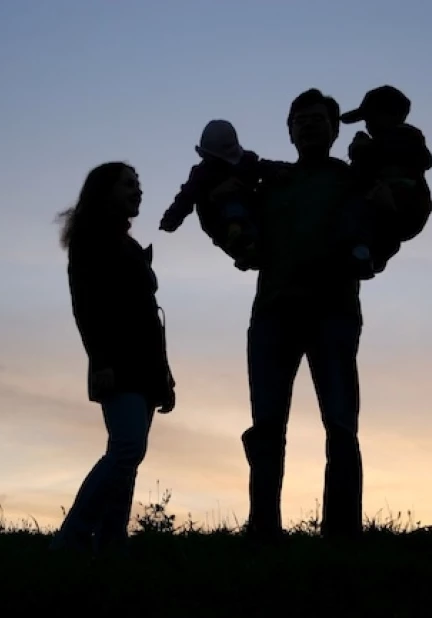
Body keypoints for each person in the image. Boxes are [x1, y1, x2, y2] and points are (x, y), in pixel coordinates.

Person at [214, 88, 432, 544]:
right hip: (273, 315)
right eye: (301, 119)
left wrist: (377, 249)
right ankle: (263, 531)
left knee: (340, 424)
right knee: (267, 426)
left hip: (333, 313)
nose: (310, 124)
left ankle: (342, 534)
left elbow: (407, 212)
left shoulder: (355, 178)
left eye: (319, 119)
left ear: (336, 129)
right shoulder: (270, 182)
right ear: (289, 131)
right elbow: (229, 221)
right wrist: (229, 230)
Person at [50, 161, 177, 556]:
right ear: (104, 191)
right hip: (117, 362)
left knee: (128, 456)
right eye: (128, 185)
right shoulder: (92, 240)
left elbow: (149, 314)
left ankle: (111, 540)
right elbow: (85, 307)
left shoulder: (129, 245)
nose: (137, 191)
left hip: (144, 365)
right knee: (126, 449)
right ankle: (73, 537)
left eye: (138, 185)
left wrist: (165, 376)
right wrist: (101, 361)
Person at [159, 119, 290, 271]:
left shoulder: (247, 163)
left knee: (264, 193)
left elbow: (266, 167)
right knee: (229, 200)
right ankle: (243, 247)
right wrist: (171, 219)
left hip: (251, 214)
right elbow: (186, 197)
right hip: (219, 221)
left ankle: (255, 246)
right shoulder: (202, 175)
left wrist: (287, 170)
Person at [338, 85, 432, 279]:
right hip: (385, 211)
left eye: (371, 118)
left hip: (407, 204)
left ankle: (373, 255)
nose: (367, 124)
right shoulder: (378, 147)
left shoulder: (405, 137)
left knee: (381, 227)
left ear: (393, 115)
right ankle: (367, 256)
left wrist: (364, 150)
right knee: (369, 223)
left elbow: (423, 159)